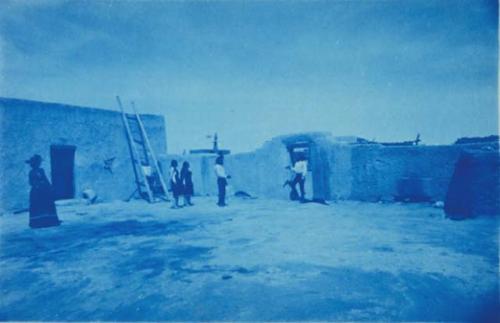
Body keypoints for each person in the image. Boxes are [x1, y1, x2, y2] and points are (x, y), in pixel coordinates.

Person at [26, 154, 61, 228]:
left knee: (47, 204)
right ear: (33, 164)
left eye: (39, 162)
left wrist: (50, 187)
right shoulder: (31, 172)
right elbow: (31, 182)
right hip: (37, 191)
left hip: (45, 190)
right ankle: (38, 223)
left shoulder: (41, 170)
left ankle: (49, 221)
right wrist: (37, 185)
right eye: (37, 162)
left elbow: (46, 179)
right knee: (38, 206)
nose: (38, 164)